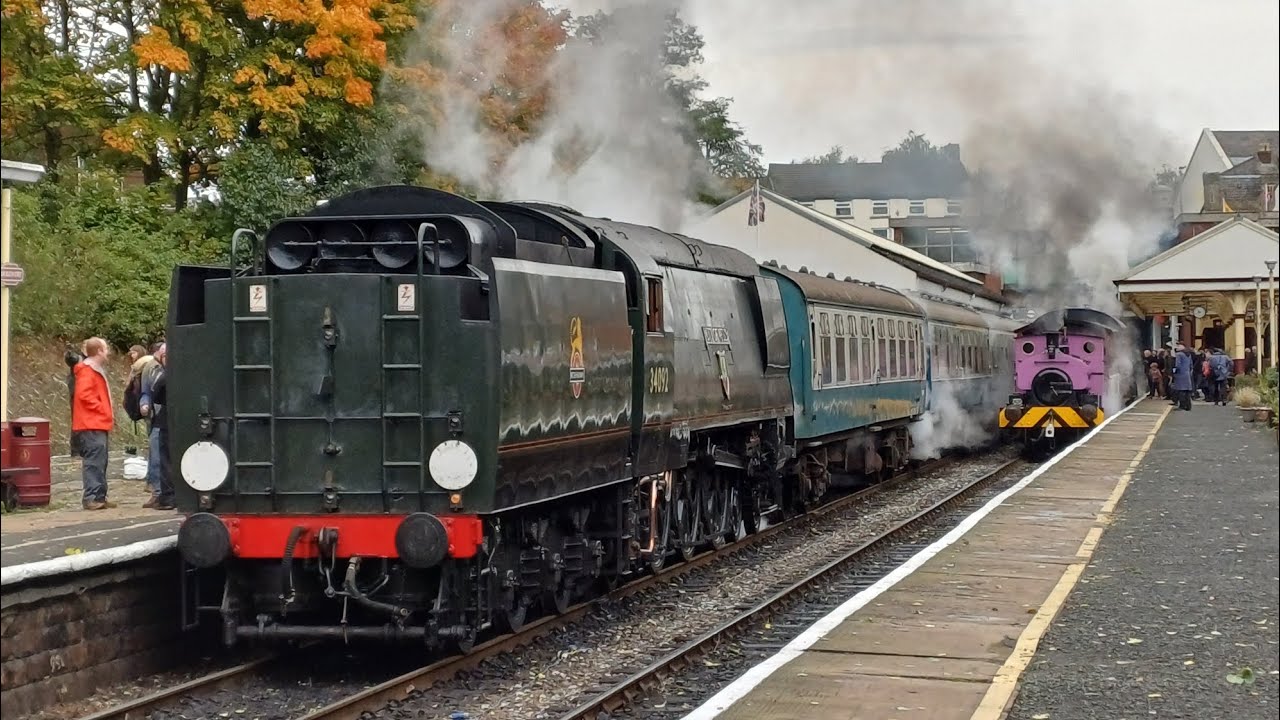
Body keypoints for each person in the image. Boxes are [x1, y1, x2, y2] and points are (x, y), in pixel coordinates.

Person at [72, 337, 117, 509]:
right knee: (94, 461)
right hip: (91, 422)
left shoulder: (90, 369)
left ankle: (99, 496)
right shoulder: (87, 370)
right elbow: (84, 395)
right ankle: (92, 497)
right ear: (99, 351)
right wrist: (103, 409)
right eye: (105, 349)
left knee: (100, 460)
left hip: (96, 422)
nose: (108, 352)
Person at [139, 343, 173, 510]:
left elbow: (155, 394)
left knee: (162, 459)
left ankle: (166, 496)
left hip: (164, 420)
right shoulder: (153, 369)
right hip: (176, 420)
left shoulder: (164, 375)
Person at [1172, 343, 1194, 411]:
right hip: (1187, 374)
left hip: (1180, 374)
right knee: (1187, 391)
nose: (1177, 347)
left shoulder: (1179, 354)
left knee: (1181, 391)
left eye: (1178, 346)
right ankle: (1188, 406)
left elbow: (1177, 365)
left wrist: (1174, 372)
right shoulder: (1188, 354)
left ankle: (1182, 406)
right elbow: (1191, 365)